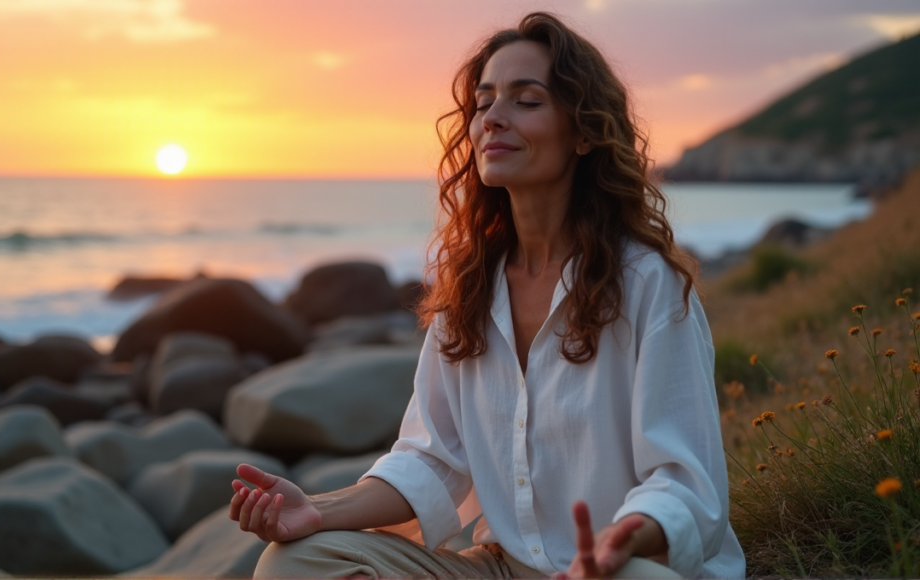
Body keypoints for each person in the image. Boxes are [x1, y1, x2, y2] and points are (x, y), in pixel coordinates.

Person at [229, 11, 746, 579]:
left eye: (526, 101)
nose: (492, 119)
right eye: (483, 102)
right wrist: (315, 510)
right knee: (297, 562)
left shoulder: (648, 283)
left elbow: (686, 481)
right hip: (500, 568)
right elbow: (431, 459)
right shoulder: (469, 289)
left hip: (622, 565)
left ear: (584, 132)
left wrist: (622, 539)